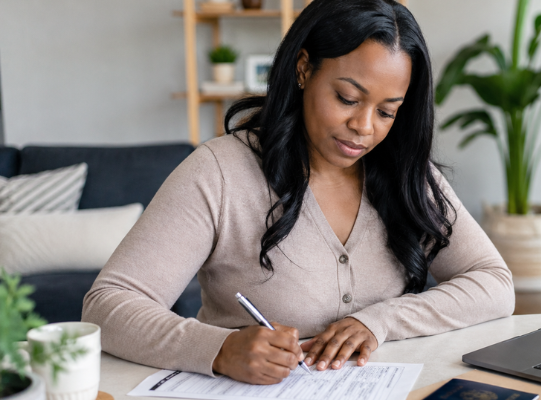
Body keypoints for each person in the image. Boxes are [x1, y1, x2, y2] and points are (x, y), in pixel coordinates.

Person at [82, 0, 514, 386]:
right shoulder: (219, 172)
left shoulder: (406, 175)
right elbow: (107, 305)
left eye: (386, 112)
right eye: (347, 98)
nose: (364, 127)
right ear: (304, 68)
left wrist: (380, 320)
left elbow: (494, 284)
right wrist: (218, 349)